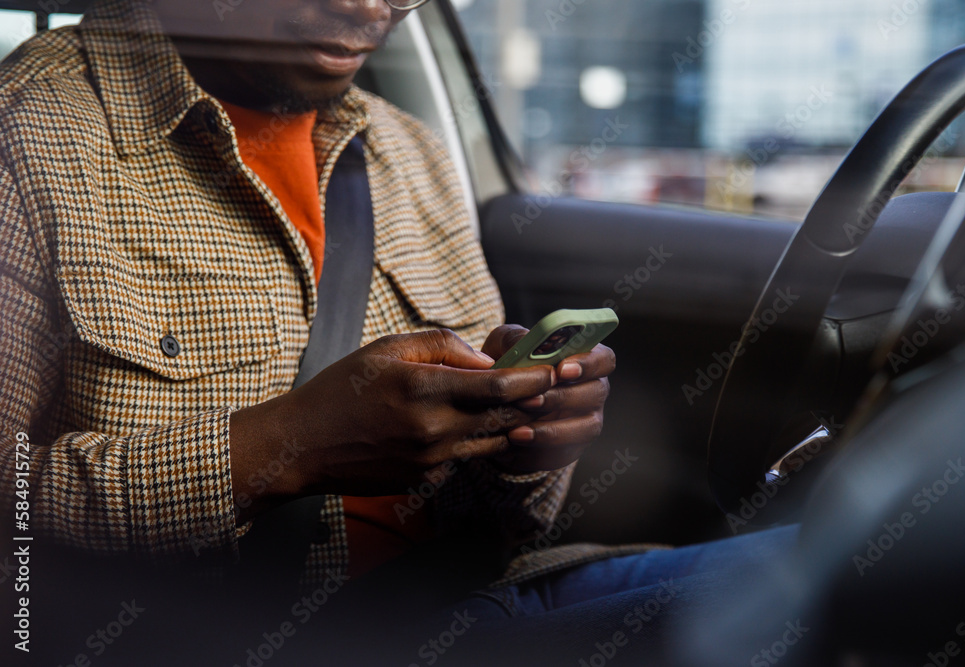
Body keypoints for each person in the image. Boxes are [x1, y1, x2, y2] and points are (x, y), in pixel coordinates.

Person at [0, 1, 796, 664]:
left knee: (851, 566)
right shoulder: (29, 130)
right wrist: (283, 450)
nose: (371, 7)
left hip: (470, 596)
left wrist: (525, 447)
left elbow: (503, 527)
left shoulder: (408, 152)